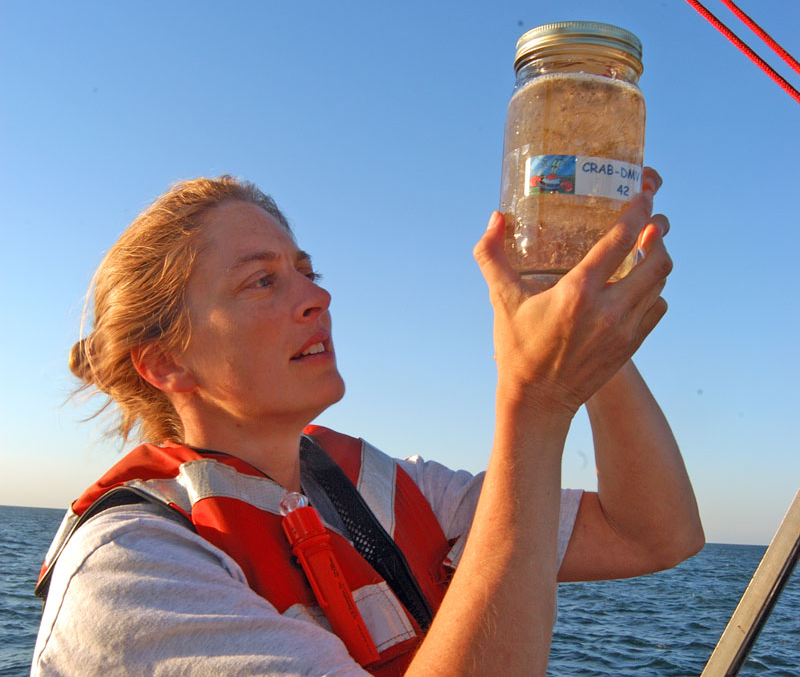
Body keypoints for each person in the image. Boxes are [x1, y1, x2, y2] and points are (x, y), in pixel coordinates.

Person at [31, 171, 703, 676]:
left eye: (305, 269)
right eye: (261, 282)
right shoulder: (130, 572)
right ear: (164, 362)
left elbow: (653, 534)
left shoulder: (388, 490)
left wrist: (581, 315)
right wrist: (536, 402)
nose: (317, 297)